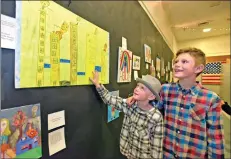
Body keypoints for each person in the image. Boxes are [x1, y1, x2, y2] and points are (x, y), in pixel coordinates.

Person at [127, 47, 225, 158]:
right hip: (165, 154)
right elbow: (151, 109)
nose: (176, 65)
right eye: (176, 62)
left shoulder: (211, 98)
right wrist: (136, 99)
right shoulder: (165, 90)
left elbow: (215, 138)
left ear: (198, 68)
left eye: (184, 62)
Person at [90, 71, 163, 159]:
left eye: (142, 88)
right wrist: (98, 85)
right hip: (127, 154)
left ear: (151, 97)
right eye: (137, 86)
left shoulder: (156, 117)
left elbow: (156, 149)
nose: (136, 89)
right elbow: (110, 99)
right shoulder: (130, 105)